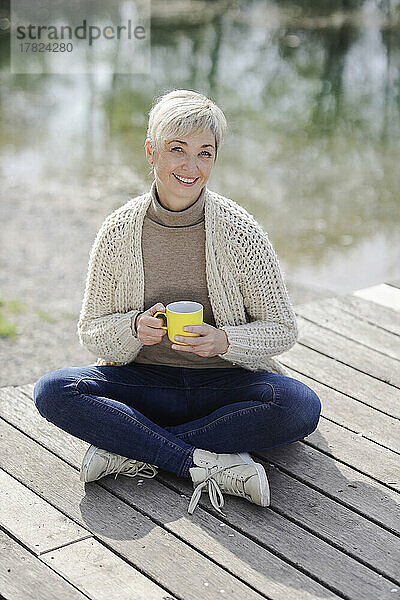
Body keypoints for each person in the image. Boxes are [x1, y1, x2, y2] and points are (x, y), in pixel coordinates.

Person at [34, 89, 321, 516]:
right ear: (151, 152)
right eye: (177, 150)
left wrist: (225, 341)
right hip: (146, 382)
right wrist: (132, 329)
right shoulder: (119, 232)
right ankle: (203, 462)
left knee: (299, 407)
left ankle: (134, 445)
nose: (191, 167)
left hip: (225, 388)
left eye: (205, 153)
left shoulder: (241, 232)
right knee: (53, 391)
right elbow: (92, 329)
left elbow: (281, 328)